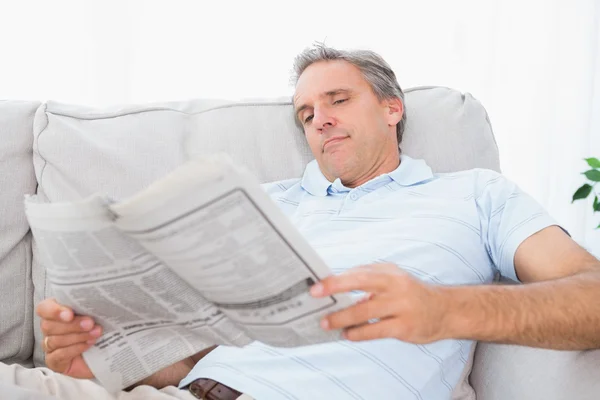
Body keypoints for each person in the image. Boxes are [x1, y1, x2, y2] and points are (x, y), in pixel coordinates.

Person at [11, 44, 600, 400]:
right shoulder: (263, 203)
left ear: (392, 108)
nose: (319, 119)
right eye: (306, 113)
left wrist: (448, 311)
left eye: (338, 100)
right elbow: (207, 356)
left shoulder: (475, 193)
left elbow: (592, 296)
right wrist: (113, 363)